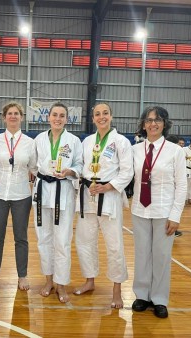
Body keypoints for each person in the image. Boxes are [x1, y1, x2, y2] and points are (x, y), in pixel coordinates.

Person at [73, 102, 133, 308]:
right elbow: (80, 165)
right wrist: (80, 179)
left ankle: (117, 289)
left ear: (111, 116)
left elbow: (127, 172)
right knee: (84, 240)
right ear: (93, 118)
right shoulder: (87, 141)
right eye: (97, 114)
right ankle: (90, 280)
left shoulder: (121, 141)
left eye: (105, 113)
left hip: (109, 197)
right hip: (88, 194)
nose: (101, 117)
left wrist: (108, 187)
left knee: (114, 244)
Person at [131, 106, 187, 319]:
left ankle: (160, 299)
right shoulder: (135, 150)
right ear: (143, 124)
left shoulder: (176, 151)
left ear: (165, 123)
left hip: (164, 211)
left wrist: (176, 215)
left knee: (162, 256)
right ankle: (142, 295)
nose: (152, 124)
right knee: (142, 254)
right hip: (140, 209)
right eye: (148, 120)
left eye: (157, 120)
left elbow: (181, 185)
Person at [32, 102, 83, 303]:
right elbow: (32, 164)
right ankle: (48, 280)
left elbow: (80, 164)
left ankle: (61, 284)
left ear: (67, 119)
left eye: (62, 115)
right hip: (43, 189)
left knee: (62, 240)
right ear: (48, 117)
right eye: (55, 115)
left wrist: (70, 171)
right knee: (43, 238)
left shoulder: (74, 140)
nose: (58, 118)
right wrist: (41, 177)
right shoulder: (38, 139)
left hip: (63, 190)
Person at [0, 102, 37, 291]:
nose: (13, 116)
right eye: (9, 113)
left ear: (21, 117)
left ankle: (22, 276)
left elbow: (33, 168)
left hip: (22, 195)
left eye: (16, 113)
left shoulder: (30, 143)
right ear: (4, 117)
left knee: (21, 238)